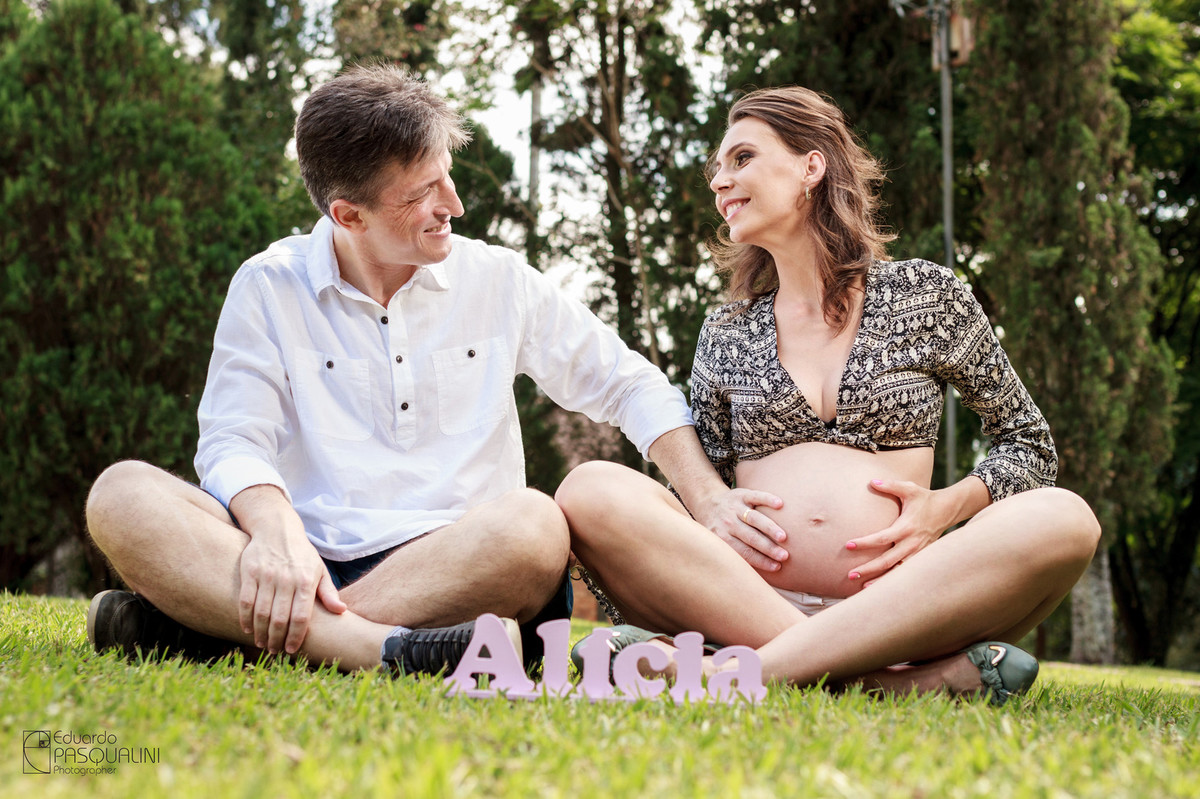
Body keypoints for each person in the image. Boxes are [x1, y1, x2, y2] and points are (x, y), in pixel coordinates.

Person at [83, 64, 735, 677]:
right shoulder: (267, 284)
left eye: (446, 176)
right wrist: (277, 531)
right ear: (348, 214)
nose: (452, 202)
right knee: (121, 493)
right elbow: (232, 440)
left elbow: (630, 383)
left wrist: (708, 500)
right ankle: (383, 648)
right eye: (423, 193)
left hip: (464, 566)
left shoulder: (499, 280)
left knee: (535, 524)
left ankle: (237, 632)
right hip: (301, 559)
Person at [555, 86, 1101, 704]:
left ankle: (731, 674)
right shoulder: (727, 329)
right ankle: (885, 683)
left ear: (810, 166)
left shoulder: (927, 295)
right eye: (718, 167)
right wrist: (710, 507)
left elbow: (1028, 443)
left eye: (741, 159)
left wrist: (944, 508)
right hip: (747, 599)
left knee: (1065, 519)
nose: (719, 180)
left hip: (905, 605)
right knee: (590, 488)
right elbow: (703, 490)